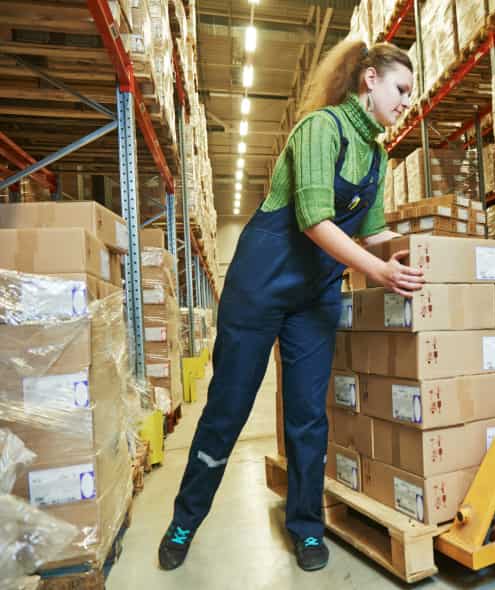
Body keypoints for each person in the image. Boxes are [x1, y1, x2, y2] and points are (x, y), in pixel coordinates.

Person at [157, 39, 425, 573]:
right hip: (260, 286)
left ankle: (306, 526)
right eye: (400, 90)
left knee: (307, 418)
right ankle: (185, 519)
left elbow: (371, 235)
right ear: (369, 79)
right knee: (227, 410)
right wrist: (378, 272)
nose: (405, 104)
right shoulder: (320, 130)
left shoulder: (376, 156)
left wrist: (417, 247)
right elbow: (313, 219)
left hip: (315, 296)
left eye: (411, 96)